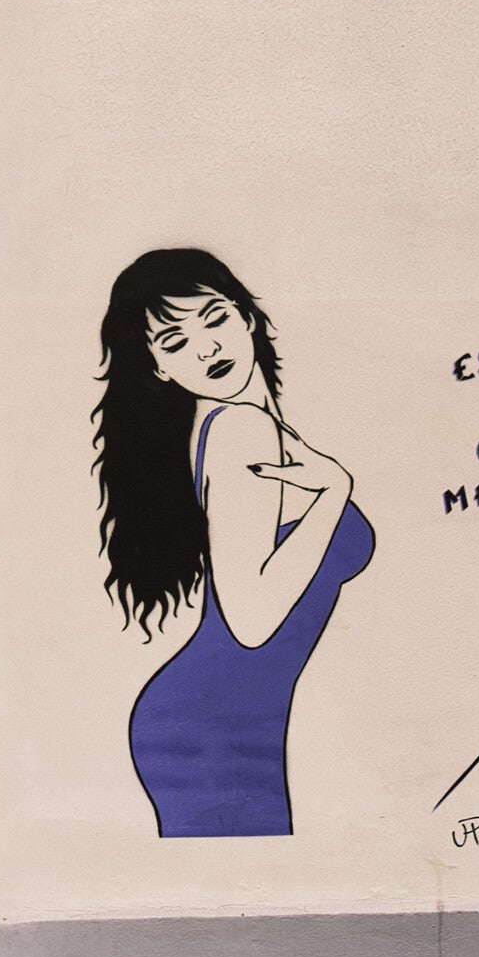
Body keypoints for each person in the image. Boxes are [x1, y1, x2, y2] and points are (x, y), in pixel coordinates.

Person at [94, 247, 375, 839]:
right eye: (175, 342)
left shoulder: (255, 429)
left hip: (228, 718)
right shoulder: (241, 432)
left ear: (246, 316)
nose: (206, 349)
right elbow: (252, 621)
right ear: (158, 368)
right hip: (214, 728)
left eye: (214, 318)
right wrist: (336, 492)